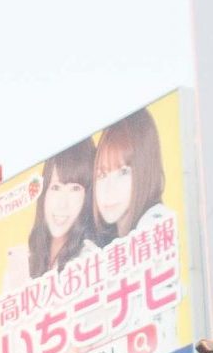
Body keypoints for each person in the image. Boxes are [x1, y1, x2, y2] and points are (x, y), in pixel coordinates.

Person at [90, 105, 167, 247]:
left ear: (145, 170)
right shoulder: (108, 241)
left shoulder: (155, 224)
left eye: (123, 172)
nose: (109, 190)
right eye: (102, 175)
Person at [22, 140, 97, 283]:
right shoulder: (28, 256)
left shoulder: (89, 259)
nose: (62, 204)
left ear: (87, 197)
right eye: (56, 187)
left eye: (75, 189)